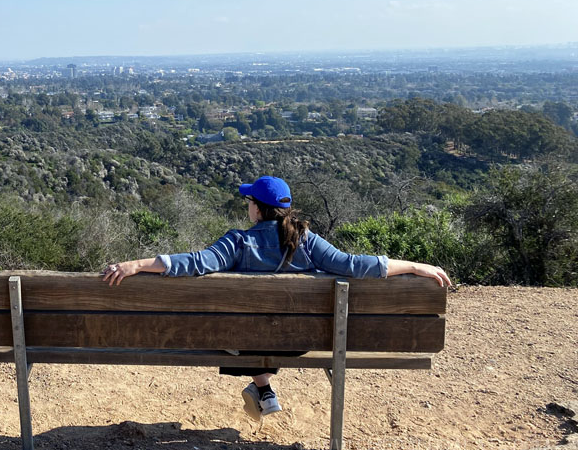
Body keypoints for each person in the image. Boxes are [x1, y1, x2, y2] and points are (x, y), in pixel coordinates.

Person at [100, 175, 452, 421]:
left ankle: (264, 388)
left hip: (239, 339)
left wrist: (137, 264)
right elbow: (352, 265)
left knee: (236, 330)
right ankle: (264, 390)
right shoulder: (307, 240)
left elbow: (194, 264)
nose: (247, 205)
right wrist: (415, 266)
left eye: (249, 200)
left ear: (257, 208)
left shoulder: (238, 242)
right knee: (262, 329)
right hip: (299, 340)